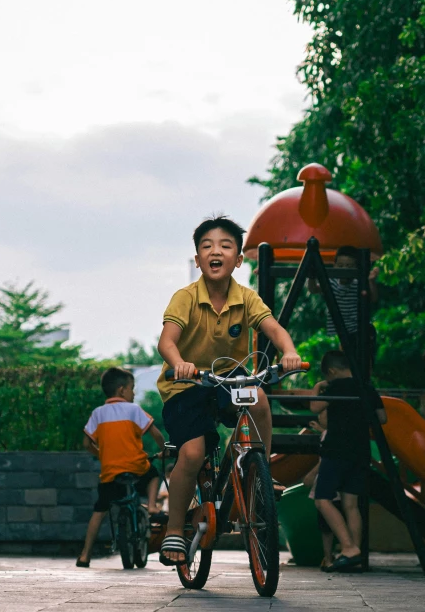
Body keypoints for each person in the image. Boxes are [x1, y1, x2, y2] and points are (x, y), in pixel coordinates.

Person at [156, 215, 302, 564]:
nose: (215, 251)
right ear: (198, 260)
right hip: (186, 385)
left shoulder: (246, 298)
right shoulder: (186, 298)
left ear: (238, 259)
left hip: (228, 379)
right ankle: (175, 529)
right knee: (191, 455)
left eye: (225, 246)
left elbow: (274, 328)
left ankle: (259, 474)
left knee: (260, 399)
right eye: (206, 246)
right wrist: (180, 363)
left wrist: (290, 352)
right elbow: (166, 342)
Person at [76, 367, 165, 568]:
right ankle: (151, 506)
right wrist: (164, 451)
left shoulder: (98, 413)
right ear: (122, 390)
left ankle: (84, 555)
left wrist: (103, 455)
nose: (133, 393)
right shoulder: (133, 410)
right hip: (136, 467)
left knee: (99, 510)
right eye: (132, 389)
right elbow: (157, 434)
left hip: (110, 473)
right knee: (153, 473)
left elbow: (86, 443)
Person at [308, 349, 387, 573]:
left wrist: (319, 387)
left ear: (331, 371)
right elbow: (382, 418)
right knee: (351, 504)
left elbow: (314, 407)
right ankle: (355, 554)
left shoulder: (335, 387)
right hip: (361, 452)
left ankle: (348, 547)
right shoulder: (366, 388)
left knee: (322, 500)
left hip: (336, 450)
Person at [308, 245, 379, 344]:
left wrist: (371, 281)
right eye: (340, 266)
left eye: (349, 266)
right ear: (334, 266)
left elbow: (373, 298)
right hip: (337, 332)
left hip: (356, 331)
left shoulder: (358, 283)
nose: (344, 270)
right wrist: (311, 276)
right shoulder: (331, 283)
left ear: (356, 267)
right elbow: (313, 289)